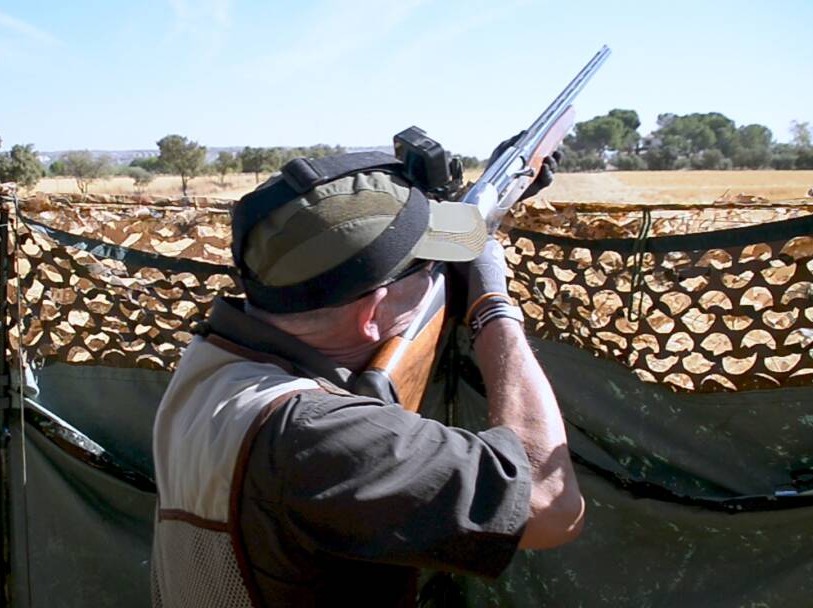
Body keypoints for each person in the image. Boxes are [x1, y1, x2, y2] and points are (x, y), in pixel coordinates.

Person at [150, 145, 584, 607]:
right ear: (372, 315)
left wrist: (484, 209)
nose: (440, 269)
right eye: (429, 267)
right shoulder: (312, 435)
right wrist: (491, 306)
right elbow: (550, 503)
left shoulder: (212, 365)